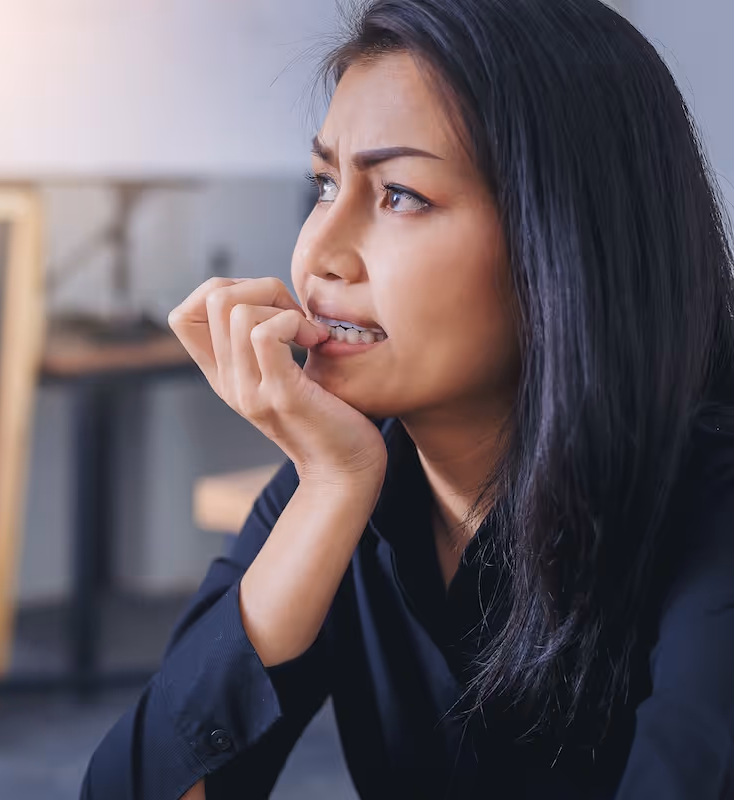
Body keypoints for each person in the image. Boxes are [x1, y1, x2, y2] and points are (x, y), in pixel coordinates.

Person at [81, 0, 734, 797]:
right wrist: (328, 492)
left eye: (401, 196)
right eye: (323, 184)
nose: (317, 252)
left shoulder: (709, 506)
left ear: (564, 240)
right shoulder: (340, 475)